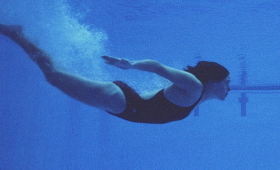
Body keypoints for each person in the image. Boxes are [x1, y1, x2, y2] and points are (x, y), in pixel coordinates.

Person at [0, 24, 230, 124]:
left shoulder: (198, 94)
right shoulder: (195, 86)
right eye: (227, 83)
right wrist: (130, 65)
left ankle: (22, 36)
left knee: (55, 75)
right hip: (121, 100)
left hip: (124, 106)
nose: (229, 88)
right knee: (53, 75)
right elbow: (159, 67)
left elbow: (161, 94)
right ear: (214, 80)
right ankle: (18, 34)